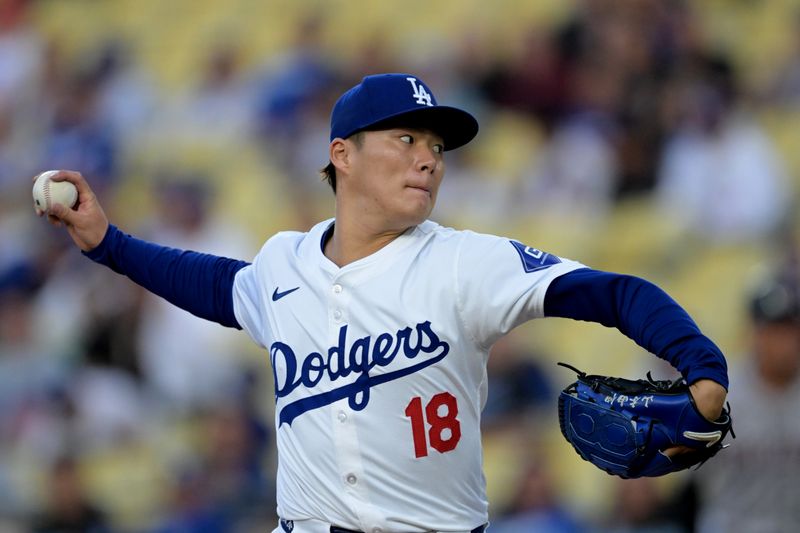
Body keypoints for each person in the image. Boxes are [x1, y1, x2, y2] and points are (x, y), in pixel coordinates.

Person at [35, 73, 729, 533]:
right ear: (343, 153)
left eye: (435, 145)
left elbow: (614, 292)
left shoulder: (464, 261)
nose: (429, 158)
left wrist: (700, 365)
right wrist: (109, 243)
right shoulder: (284, 262)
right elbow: (219, 286)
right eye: (406, 139)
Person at [691, 275, 800, 532]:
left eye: (789, 331)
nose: (781, 343)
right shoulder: (720, 393)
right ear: (755, 332)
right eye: (772, 331)